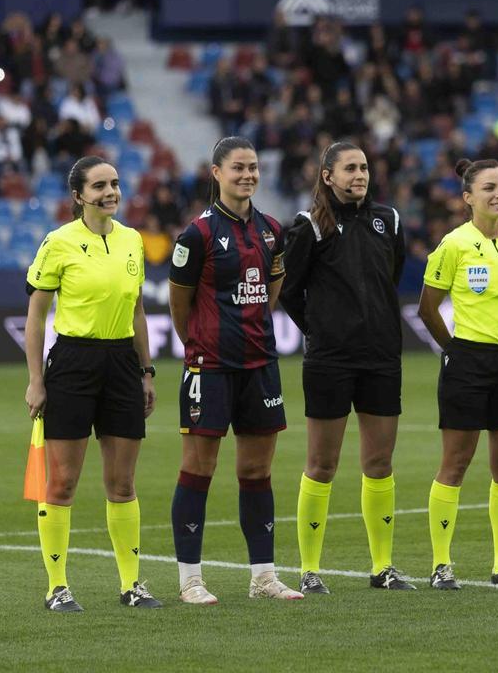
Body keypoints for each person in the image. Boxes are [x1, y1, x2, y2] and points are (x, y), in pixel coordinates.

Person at [167, 137, 303, 604]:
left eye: (253, 167)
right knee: (198, 467)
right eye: (238, 168)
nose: (248, 175)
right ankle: (190, 579)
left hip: (260, 363)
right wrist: (201, 345)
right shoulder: (197, 234)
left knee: (257, 469)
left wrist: (249, 329)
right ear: (216, 173)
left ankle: (263, 577)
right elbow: (179, 304)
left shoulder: (271, 230)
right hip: (210, 367)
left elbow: (273, 285)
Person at [23, 156, 160, 611]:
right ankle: (56, 587)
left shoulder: (133, 240)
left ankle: (132, 585)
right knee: (62, 483)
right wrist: (35, 381)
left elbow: (138, 310)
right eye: (100, 185)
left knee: (123, 484)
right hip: (72, 364)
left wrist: (146, 371)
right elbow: (36, 317)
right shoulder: (58, 243)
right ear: (78, 196)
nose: (111, 192)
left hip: (122, 363)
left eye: (115, 183)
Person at [280, 141, 414, 594]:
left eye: (364, 167)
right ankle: (309, 568)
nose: (360, 174)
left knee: (379, 462)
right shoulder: (308, 227)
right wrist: (320, 329)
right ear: (327, 176)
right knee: (322, 464)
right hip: (330, 361)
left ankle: (383, 566)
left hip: (380, 357)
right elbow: (288, 292)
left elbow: (389, 277)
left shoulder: (388, 220)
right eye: (350, 168)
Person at [417, 158, 498, 590]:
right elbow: (427, 308)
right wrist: (454, 349)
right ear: (468, 197)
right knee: (456, 462)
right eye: (489, 188)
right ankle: (441, 564)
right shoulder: (453, 245)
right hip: (467, 361)